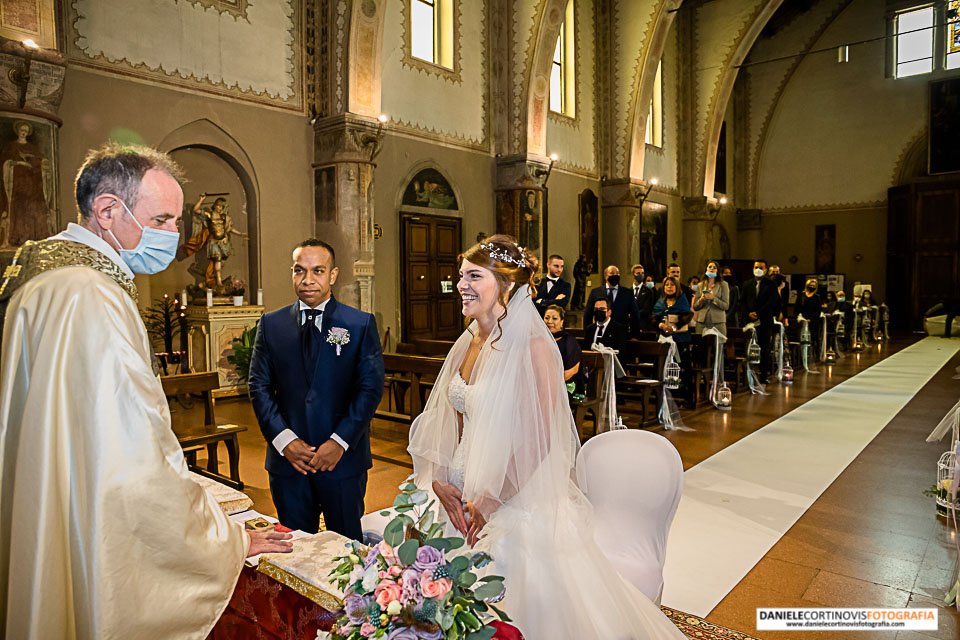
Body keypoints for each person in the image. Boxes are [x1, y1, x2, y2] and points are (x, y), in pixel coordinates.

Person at [0, 144, 292, 640]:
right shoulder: (91, 296)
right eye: (163, 219)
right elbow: (134, 463)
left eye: (176, 222)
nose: (175, 238)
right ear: (108, 210)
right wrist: (225, 540)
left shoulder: (46, 283)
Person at [407, 235, 685, 639]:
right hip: (463, 491)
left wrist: (491, 498)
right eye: (460, 275)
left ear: (506, 285)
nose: (461, 284)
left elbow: (538, 440)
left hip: (515, 494)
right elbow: (455, 421)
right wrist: (440, 477)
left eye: (473, 276)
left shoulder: (535, 346)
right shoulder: (470, 339)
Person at [249, 238, 385, 539]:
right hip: (289, 463)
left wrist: (339, 441)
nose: (307, 280)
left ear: (333, 275)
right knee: (295, 547)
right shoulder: (271, 324)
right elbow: (258, 385)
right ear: (292, 273)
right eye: (300, 271)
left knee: (346, 547)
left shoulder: (359, 324)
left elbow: (370, 389)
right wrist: (285, 442)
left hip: (342, 460)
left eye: (318, 271)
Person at [0, 120, 54, 247]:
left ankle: (34, 238)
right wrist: (17, 163)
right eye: (21, 130)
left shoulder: (32, 148)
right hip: (17, 186)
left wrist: (42, 163)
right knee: (17, 211)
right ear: (18, 131)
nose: (23, 133)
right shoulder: (11, 147)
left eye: (25, 131)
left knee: (32, 211)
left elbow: (41, 162)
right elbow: (5, 163)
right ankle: (16, 238)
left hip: (32, 186)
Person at [179, 193, 248, 287]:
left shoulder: (224, 217)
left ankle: (216, 279)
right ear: (215, 205)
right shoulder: (209, 215)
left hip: (223, 242)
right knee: (217, 261)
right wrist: (201, 200)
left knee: (220, 262)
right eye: (218, 206)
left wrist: (240, 234)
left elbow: (230, 229)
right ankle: (218, 281)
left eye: (221, 207)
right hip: (214, 242)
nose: (219, 208)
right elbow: (196, 210)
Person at [654, 276, 694, 403]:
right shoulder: (661, 301)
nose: (669, 287)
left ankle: (682, 396)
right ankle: (660, 394)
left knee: (681, 367)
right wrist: (660, 325)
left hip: (680, 339)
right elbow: (653, 317)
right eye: (667, 285)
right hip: (663, 339)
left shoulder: (682, 301)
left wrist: (674, 326)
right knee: (660, 366)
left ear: (676, 287)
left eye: (672, 285)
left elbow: (687, 316)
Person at [744, 261, 781, 384]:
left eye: (760, 267)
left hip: (764, 320)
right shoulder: (747, 284)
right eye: (756, 267)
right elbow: (742, 301)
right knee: (749, 348)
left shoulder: (771, 284)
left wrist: (758, 313)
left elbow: (771, 302)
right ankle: (748, 374)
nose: (758, 269)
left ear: (765, 270)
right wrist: (749, 313)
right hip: (749, 321)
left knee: (764, 348)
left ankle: (763, 375)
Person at [583, 264, 641, 334]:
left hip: (621, 333)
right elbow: (588, 314)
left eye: (617, 273)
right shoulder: (596, 292)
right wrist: (587, 333)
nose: (615, 275)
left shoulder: (627, 293)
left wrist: (634, 335)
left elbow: (635, 315)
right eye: (612, 273)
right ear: (606, 276)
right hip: (601, 332)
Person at [543, 304, 582, 395]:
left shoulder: (569, 341)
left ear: (562, 322)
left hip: (564, 385)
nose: (550, 321)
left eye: (554, 318)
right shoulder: (540, 340)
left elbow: (572, 370)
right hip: (543, 385)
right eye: (547, 318)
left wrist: (550, 385)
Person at [693, 259, 730, 336]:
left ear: (717, 270)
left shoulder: (723, 285)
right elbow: (695, 307)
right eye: (710, 267)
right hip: (702, 321)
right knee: (701, 345)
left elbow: (726, 306)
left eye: (714, 267)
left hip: (718, 322)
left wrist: (714, 298)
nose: (712, 268)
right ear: (706, 269)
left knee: (718, 346)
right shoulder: (700, 285)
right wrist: (702, 299)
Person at [794, 278, 822, 351]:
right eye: (811, 285)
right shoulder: (801, 295)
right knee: (801, 336)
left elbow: (818, 310)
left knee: (812, 337)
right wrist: (799, 317)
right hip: (802, 319)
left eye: (814, 286)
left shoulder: (817, 297)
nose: (812, 287)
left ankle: (812, 352)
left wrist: (811, 319)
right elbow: (796, 307)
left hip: (813, 320)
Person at [632, 263, 657, 330]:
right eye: (638, 273)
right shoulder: (628, 291)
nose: (641, 275)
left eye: (642, 273)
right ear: (633, 274)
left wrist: (632, 314)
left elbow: (647, 309)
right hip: (630, 324)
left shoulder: (648, 291)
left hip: (643, 324)